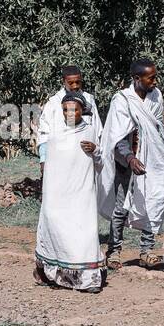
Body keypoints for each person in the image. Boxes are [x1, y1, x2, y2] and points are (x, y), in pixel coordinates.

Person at [98, 59, 164, 269]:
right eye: (151, 78)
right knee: (121, 207)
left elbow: (158, 127)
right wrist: (130, 158)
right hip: (126, 162)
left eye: (155, 77)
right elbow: (117, 136)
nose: (155, 82)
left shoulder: (156, 96)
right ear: (136, 79)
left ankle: (147, 251)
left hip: (153, 160)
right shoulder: (122, 100)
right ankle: (113, 252)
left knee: (153, 202)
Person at [35, 92, 104, 292]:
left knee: (84, 233)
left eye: (74, 109)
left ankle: (89, 280)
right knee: (57, 230)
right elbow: (51, 164)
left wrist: (96, 150)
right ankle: (54, 274)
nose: (70, 113)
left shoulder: (90, 131)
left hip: (81, 192)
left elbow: (102, 160)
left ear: (83, 109)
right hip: (57, 193)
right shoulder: (56, 133)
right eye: (65, 109)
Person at [37, 66, 101, 166]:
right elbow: (44, 133)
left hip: (85, 159)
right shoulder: (54, 103)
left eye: (78, 82)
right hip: (61, 158)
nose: (75, 86)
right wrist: (43, 160)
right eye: (70, 83)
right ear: (64, 81)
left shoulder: (89, 100)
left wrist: (96, 150)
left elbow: (97, 130)